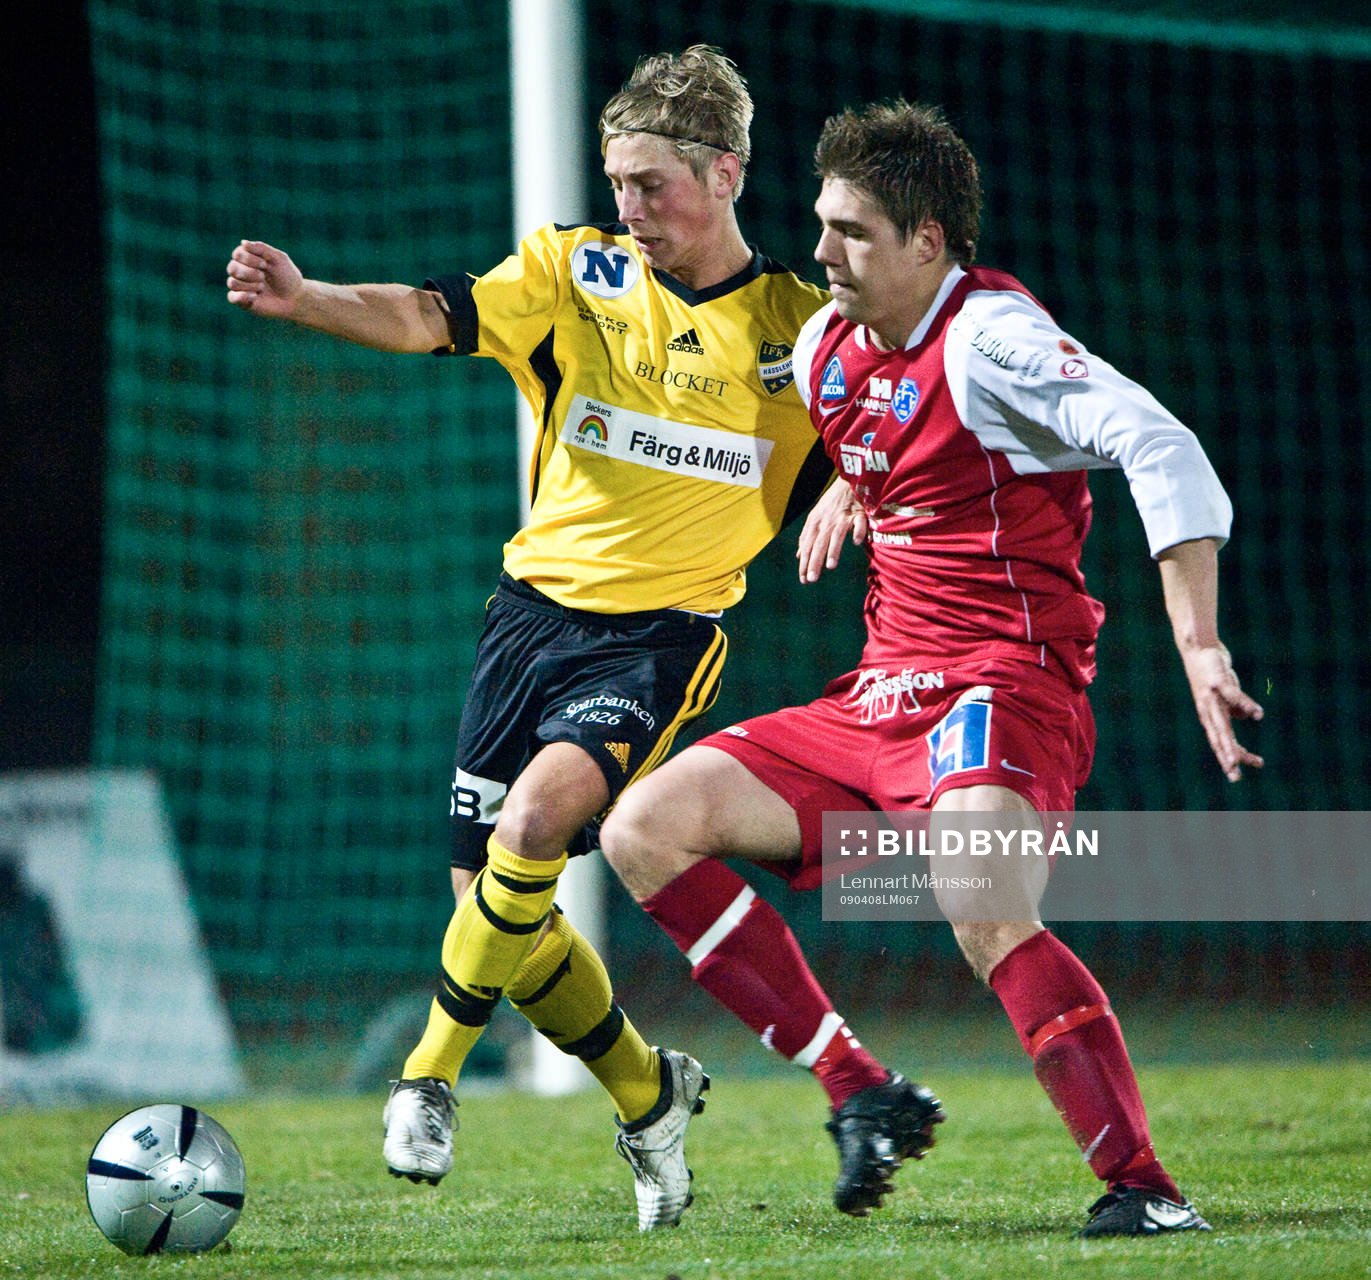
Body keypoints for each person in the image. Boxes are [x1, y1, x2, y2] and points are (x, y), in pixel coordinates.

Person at [600, 99, 1263, 1237]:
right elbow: (890, 428)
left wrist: (1197, 638)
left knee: (977, 893)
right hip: (879, 693)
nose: (819, 252)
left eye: (852, 231)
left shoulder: (991, 336)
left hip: (1005, 679)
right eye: (819, 224)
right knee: (642, 826)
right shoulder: (822, 346)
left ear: (927, 243)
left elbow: (1158, 440)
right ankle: (858, 1086)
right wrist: (857, 489)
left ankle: (1144, 1188)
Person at [224, 46, 852, 1231]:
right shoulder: (576, 271)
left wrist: (854, 485)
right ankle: (648, 1092)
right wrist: (310, 299)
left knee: (532, 825)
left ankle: (427, 1074)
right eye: (616, 179)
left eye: (652, 182)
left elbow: (894, 420)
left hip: (660, 635)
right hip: (529, 620)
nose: (628, 205)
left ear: (725, 173)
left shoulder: (798, 329)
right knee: (499, 915)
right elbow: (428, 313)